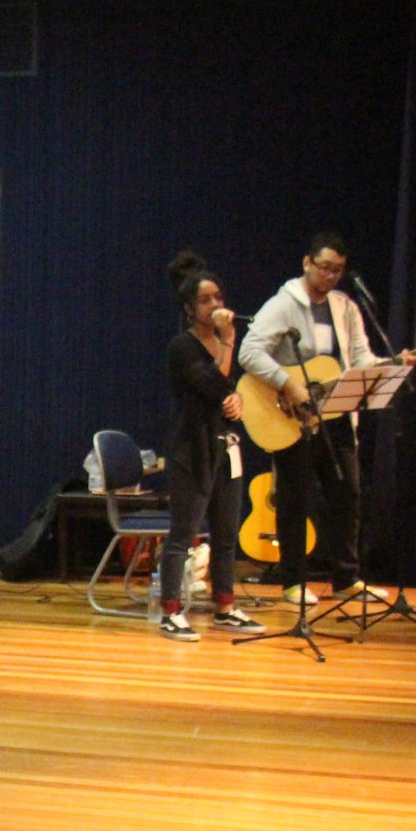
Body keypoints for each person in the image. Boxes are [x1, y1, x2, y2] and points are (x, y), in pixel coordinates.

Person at [238, 232, 413, 605]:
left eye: (338, 270)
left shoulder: (345, 307)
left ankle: (346, 578)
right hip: (293, 418)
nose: (330, 276)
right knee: (294, 498)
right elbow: (249, 352)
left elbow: (360, 360)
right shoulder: (282, 305)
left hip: (336, 415)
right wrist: (287, 384)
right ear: (307, 263)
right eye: (324, 267)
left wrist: (393, 363)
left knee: (348, 493)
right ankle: (292, 581)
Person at [158, 253, 265, 641]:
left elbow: (225, 390)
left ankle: (225, 606)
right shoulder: (182, 346)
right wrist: (228, 342)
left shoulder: (220, 343)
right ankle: (171, 612)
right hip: (192, 449)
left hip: (226, 445)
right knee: (182, 534)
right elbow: (212, 382)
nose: (215, 305)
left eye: (218, 297)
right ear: (190, 308)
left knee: (226, 534)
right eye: (205, 300)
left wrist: (237, 400)